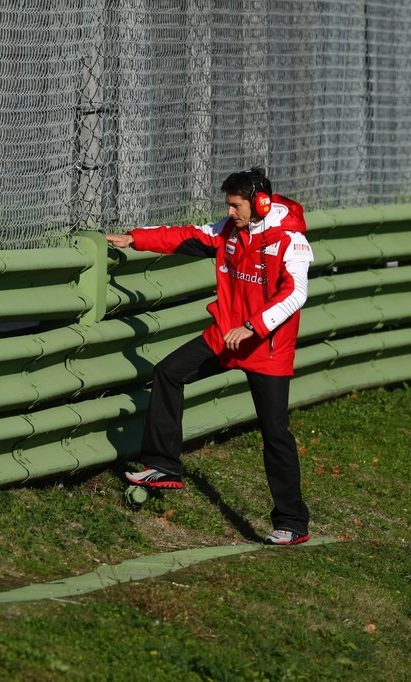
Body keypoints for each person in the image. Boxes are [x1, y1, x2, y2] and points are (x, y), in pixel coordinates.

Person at [105, 167, 314, 545]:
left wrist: (253, 327)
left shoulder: (292, 241)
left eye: (236, 206)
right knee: (169, 372)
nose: (230, 212)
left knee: (275, 434)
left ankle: (292, 522)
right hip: (224, 337)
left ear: (261, 203)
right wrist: (134, 240)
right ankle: (164, 465)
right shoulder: (227, 231)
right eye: (228, 206)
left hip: (265, 350)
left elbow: (296, 294)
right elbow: (185, 235)